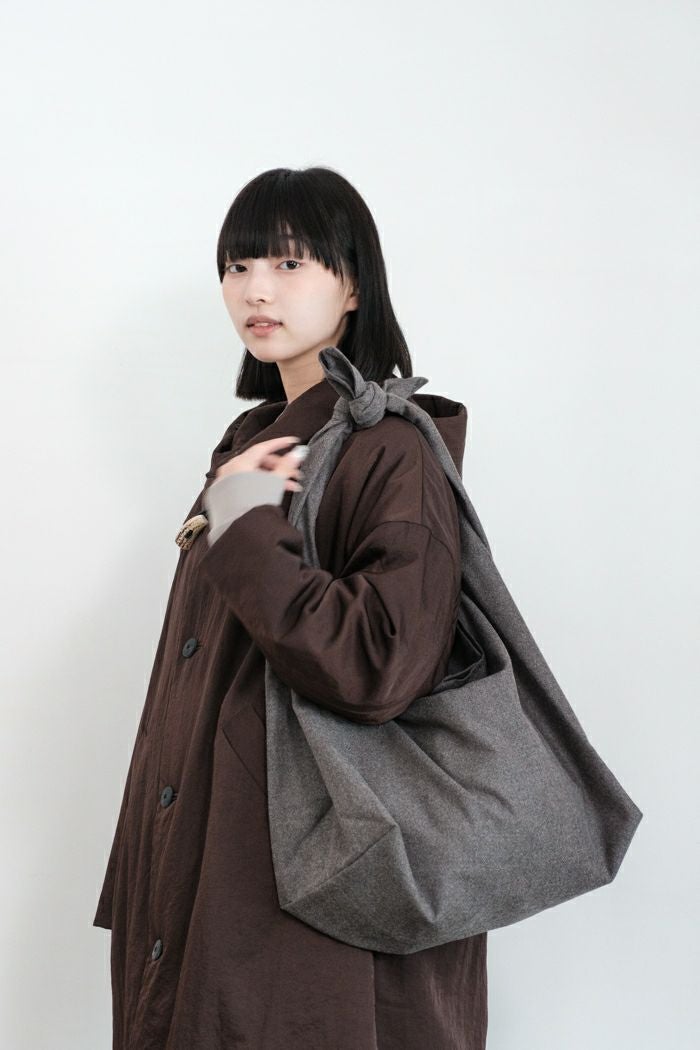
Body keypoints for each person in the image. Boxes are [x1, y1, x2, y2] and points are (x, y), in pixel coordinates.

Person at [93, 165, 488, 1049]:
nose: (255, 290)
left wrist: (241, 524)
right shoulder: (254, 444)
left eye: (288, 263)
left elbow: (378, 665)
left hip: (309, 901)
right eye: (237, 266)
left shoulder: (391, 450)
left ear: (353, 285)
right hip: (210, 871)